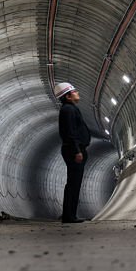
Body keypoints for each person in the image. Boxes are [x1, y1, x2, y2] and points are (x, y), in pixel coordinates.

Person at [55, 82, 91, 223]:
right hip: (73, 150)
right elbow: (70, 132)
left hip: (74, 149)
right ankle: (68, 216)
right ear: (68, 96)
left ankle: (71, 215)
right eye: (74, 91)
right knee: (73, 184)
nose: (77, 93)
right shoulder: (68, 110)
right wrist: (77, 151)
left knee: (75, 184)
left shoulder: (70, 109)